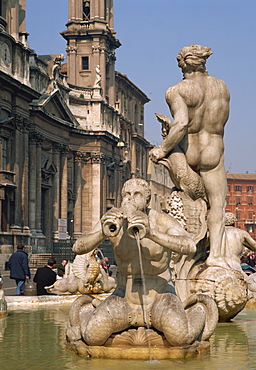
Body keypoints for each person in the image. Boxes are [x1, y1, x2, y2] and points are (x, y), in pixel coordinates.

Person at [71, 179, 212, 347]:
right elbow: (78, 247)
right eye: (126, 195)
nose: (130, 199)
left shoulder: (161, 221)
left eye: (137, 195)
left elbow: (189, 246)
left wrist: (152, 233)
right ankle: (87, 311)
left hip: (160, 296)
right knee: (93, 337)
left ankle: (197, 311)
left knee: (180, 337)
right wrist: (102, 233)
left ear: (147, 199)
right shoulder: (114, 221)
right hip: (124, 297)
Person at [149, 44, 230, 269]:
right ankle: (215, 256)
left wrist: (162, 149)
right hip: (214, 151)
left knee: (184, 198)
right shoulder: (222, 88)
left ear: (181, 64)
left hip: (189, 151)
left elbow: (182, 123)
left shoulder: (176, 90)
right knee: (217, 205)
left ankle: (183, 253)